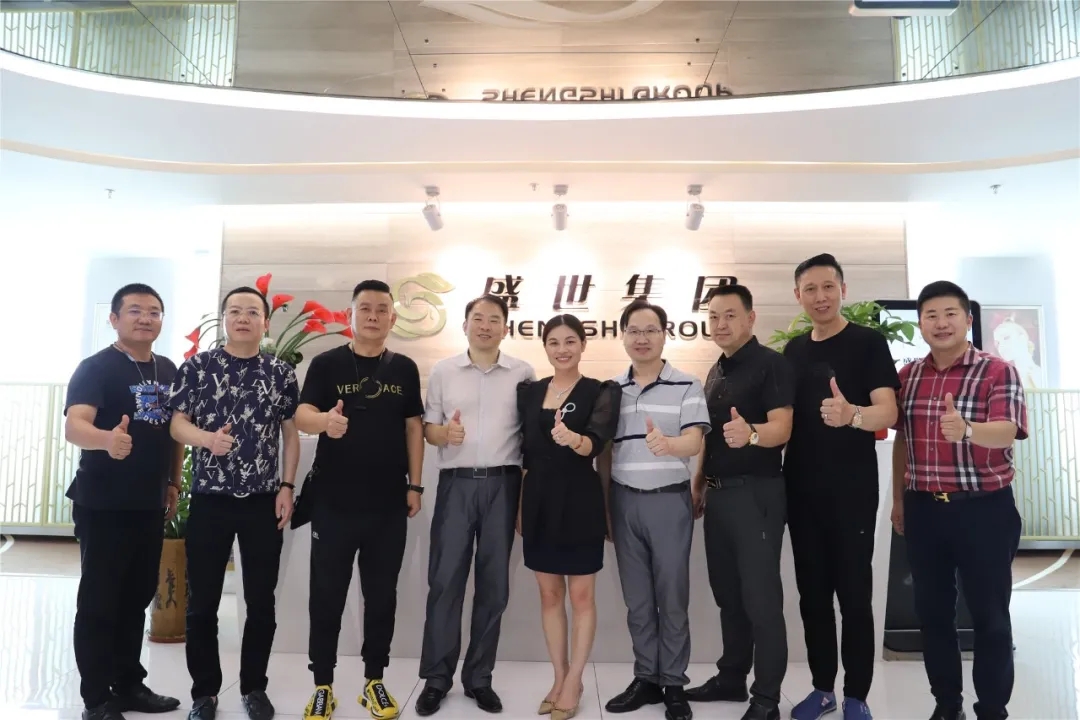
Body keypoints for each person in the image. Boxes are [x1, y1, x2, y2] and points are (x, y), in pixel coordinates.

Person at [891, 281, 1027, 720]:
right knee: (933, 615)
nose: (941, 323)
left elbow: (1007, 431)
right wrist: (898, 500)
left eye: (950, 313)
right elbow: (902, 442)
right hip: (924, 509)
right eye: (931, 315)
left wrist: (967, 429)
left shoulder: (997, 371)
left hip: (984, 509)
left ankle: (992, 710)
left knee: (990, 617)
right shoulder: (908, 377)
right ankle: (947, 705)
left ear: (968, 320)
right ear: (920, 324)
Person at [168, 286, 300, 720]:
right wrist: (207, 439)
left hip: (263, 502)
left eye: (252, 312)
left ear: (266, 322)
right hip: (211, 500)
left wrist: (287, 486)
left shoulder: (281, 372)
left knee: (261, 602)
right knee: (202, 602)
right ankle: (204, 694)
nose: (243, 318)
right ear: (224, 318)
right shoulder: (198, 367)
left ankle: (254, 688)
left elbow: (290, 434)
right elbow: (177, 425)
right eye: (235, 311)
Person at [295, 280, 425, 720]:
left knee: (382, 596)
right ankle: (323, 685)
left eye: (381, 309)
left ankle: (374, 681)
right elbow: (302, 414)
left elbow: (413, 427)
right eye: (365, 308)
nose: (373, 315)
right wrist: (324, 423)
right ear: (350, 315)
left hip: (388, 505)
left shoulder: (404, 368)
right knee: (326, 595)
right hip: (333, 503)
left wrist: (415, 485)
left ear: (393, 318)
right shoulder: (327, 363)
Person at [782, 254, 899, 720]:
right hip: (801, 490)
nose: (820, 297)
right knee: (812, 595)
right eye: (810, 289)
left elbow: (888, 411)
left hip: (852, 491)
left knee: (853, 594)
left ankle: (856, 695)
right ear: (798, 296)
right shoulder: (793, 351)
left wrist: (852, 415)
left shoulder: (868, 343)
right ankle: (822, 689)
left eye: (828, 287)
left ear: (843, 290)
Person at [64, 283, 182, 720]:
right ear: (114, 319)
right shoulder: (95, 368)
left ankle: (129, 685)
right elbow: (75, 425)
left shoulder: (168, 369)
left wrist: (173, 483)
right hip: (103, 504)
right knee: (100, 601)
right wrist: (106, 440)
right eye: (135, 310)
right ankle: (96, 698)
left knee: (136, 597)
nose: (145, 318)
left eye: (153, 311)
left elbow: (174, 432)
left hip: (148, 503)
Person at [414, 294, 536, 717]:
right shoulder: (444, 371)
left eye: (494, 319)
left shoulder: (523, 373)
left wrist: (525, 498)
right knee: (445, 581)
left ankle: (479, 678)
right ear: (465, 325)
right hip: (456, 485)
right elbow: (428, 428)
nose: (485, 325)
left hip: (505, 485)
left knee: (494, 586)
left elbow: (530, 438)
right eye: (478, 318)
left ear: (505, 327)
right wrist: (443, 435)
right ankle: (436, 678)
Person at [687, 285, 794, 720]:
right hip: (718, 495)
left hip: (756, 494)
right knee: (728, 595)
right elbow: (711, 438)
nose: (720, 324)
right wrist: (699, 483)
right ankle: (732, 677)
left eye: (730, 315)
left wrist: (751, 433)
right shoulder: (716, 370)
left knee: (761, 600)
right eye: (713, 317)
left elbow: (782, 428)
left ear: (751, 318)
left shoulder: (772, 364)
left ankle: (766, 699)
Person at [600, 296, 710, 720]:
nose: (642, 338)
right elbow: (604, 453)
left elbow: (695, 441)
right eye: (634, 331)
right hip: (624, 501)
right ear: (623, 336)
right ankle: (647, 678)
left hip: (669, 502)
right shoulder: (611, 389)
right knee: (638, 600)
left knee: (673, 597)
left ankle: (674, 684)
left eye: (651, 330)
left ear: (665, 335)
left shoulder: (687, 385)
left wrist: (669, 445)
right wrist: (605, 506)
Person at [516, 314, 621, 720]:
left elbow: (597, 443)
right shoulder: (530, 392)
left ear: (583, 345)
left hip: (579, 498)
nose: (562, 349)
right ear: (545, 347)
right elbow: (525, 454)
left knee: (581, 597)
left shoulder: (599, 390)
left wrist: (575, 439)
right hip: (538, 499)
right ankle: (559, 676)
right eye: (554, 342)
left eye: (570, 341)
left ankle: (575, 680)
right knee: (549, 595)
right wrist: (520, 506)